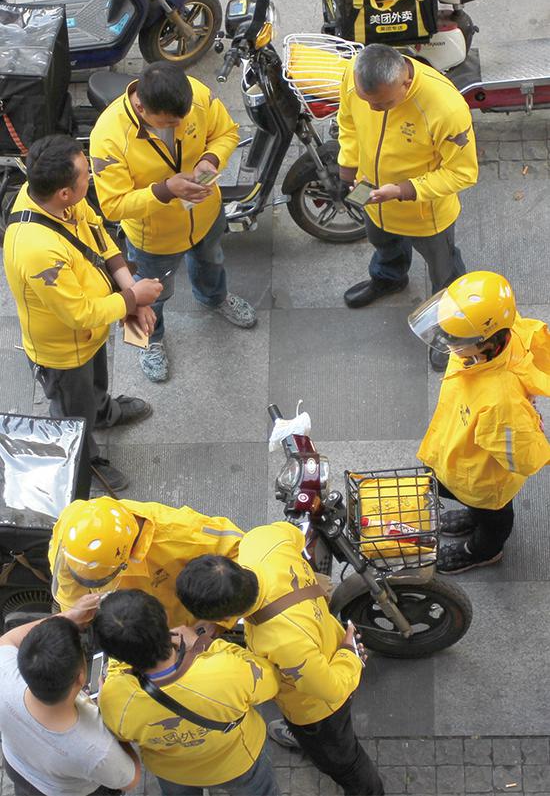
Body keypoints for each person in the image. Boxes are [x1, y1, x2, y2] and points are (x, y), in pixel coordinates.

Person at [3, 134, 163, 492]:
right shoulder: (36, 249)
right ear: (64, 193)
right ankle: (85, 459)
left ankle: (103, 411)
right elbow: (80, 314)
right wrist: (131, 298)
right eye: (85, 175)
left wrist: (132, 295)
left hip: (89, 336)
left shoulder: (52, 198)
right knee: (72, 414)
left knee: (95, 384)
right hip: (63, 353)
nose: (91, 176)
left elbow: (100, 237)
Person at [176, 522, 385, 796]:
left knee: (343, 761)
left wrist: (349, 655)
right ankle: (302, 737)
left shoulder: (283, 641)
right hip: (325, 636)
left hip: (318, 707)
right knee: (315, 738)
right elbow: (297, 536)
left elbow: (332, 688)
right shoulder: (260, 540)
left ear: (223, 618)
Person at [90, 60, 256, 384]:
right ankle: (145, 339)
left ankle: (214, 298)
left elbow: (225, 132)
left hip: (206, 214)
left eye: (183, 119)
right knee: (147, 291)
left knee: (212, 261)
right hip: (154, 238)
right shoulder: (108, 138)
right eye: (169, 122)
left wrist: (210, 159)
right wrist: (166, 190)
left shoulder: (196, 95)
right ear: (141, 107)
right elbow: (113, 206)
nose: (179, 126)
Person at [337, 44, 478, 371]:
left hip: (426, 215)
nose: (372, 109)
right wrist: (347, 166)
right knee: (383, 243)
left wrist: (405, 190)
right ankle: (389, 278)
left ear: (405, 82)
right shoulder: (353, 74)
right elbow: (347, 121)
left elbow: (463, 172)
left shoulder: (445, 108)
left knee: (444, 272)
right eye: (367, 101)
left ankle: (453, 330)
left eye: (383, 104)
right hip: (375, 200)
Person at [409, 270, 550, 572]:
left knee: (494, 520)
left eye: (455, 338)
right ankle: (473, 515)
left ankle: (482, 551)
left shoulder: (500, 400)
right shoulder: (482, 345)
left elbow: (522, 458)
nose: (446, 342)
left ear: (486, 342)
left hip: (484, 480)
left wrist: (526, 423)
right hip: (461, 450)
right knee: (477, 507)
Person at [95, 589, 280, 796]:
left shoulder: (115, 700)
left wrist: (115, 674)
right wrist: (205, 644)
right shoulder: (226, 671)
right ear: (166, 618)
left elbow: (118, 730)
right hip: (239, 762)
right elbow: (271, 680)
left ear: (112, 653)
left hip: (174, 773)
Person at [0, 594, 140, 796]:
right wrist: (111, 718)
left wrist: (69, 616)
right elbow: (131, 779)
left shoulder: (4, 677)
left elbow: (7, 639)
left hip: (18, 767)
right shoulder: (97, 750)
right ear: (81, 677)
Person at [48, 495, 243, 627]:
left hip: (183, 620)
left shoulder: (181, 533)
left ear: (125, 559)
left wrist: (213, 624)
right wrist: (73, 618)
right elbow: (69, 589)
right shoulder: (73, 533)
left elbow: (240, 551)